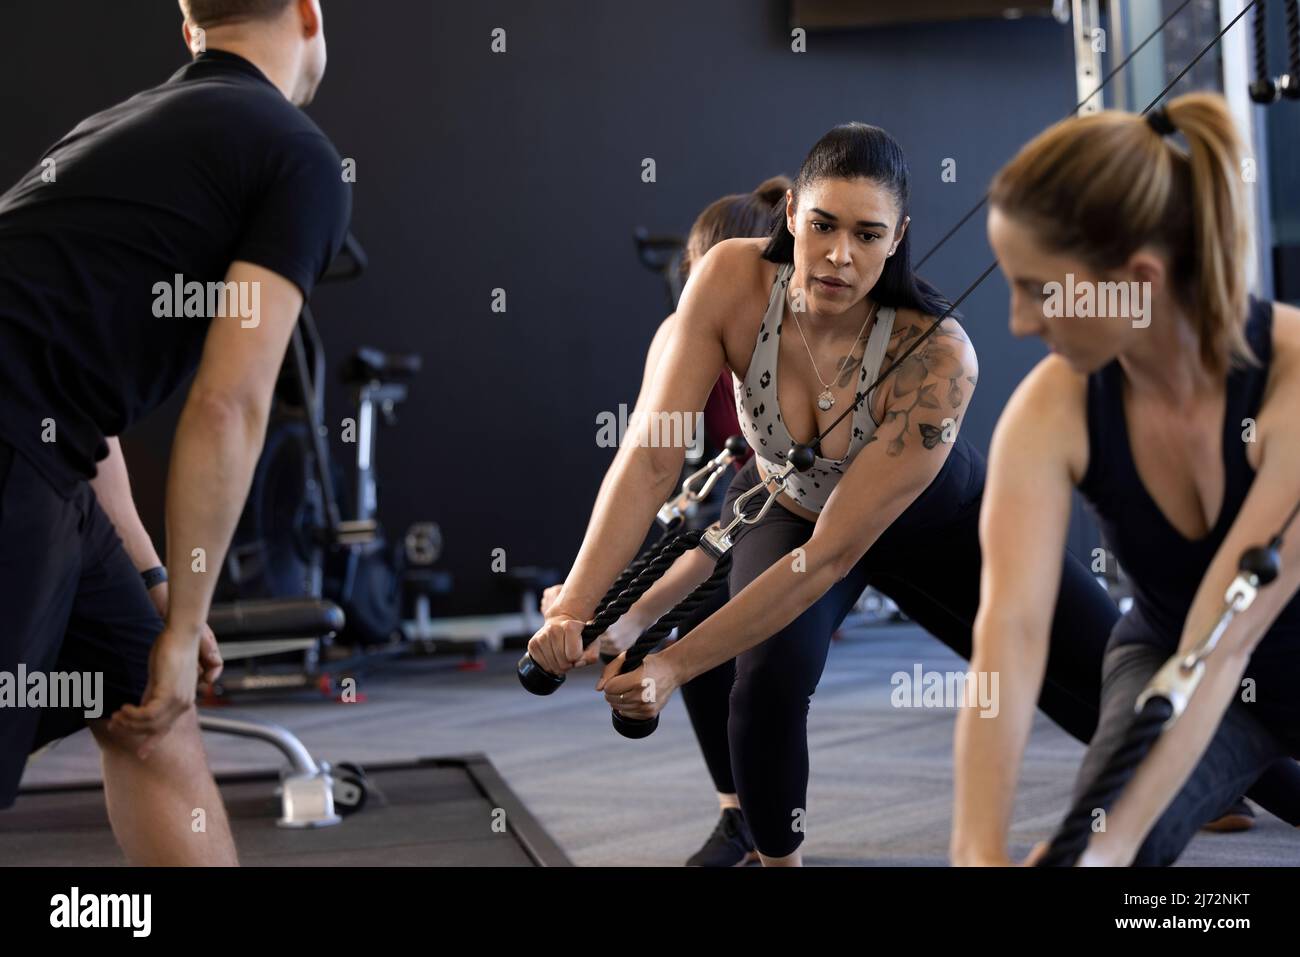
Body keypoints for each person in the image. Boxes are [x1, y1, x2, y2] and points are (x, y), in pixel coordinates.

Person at [529, 122, 1124, 867]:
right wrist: (578, 605)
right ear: (792, 217)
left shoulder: (938, 355)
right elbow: (652, 458)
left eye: (869, 234)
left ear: (899, 236)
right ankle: (779, 859)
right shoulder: (730, 280)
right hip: (792, 507)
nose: (841, 254)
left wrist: (673, 666)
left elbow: (831, 557)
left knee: (1119, 680)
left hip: (936, 525)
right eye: (824, 225)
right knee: (766, 681)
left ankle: (1233, 778)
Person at [0, 0, 350, 865]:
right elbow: (228, 405)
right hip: (12, 454)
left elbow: (83, 411)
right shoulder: (296, 155)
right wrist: (193, 609)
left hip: (49, 459)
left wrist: (162, 595)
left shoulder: (117, 130)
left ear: (189, 30)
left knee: (150, 710)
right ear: (308, 12)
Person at [952, 92, 1300, 866]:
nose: (1017, 322)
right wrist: (975, 849)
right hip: (1172, 657)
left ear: (1136, 279)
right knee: (1107, 849)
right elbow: (1008, 633)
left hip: (1231, 654)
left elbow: (1229, 636)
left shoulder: (1292, 383)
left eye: (1039, 289)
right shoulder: (1055, 406)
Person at [542, 179, 779, 865]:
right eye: (698, 279)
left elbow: (753, 507)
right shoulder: (688, 340)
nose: (707, 297)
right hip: (737, 496)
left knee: (728, 623)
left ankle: (770, 828)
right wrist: (586, 598)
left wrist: (631, 615)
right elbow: (653, 472)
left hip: (809, 510)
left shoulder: (803, 343)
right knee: (698, 620)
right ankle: (738, 814)